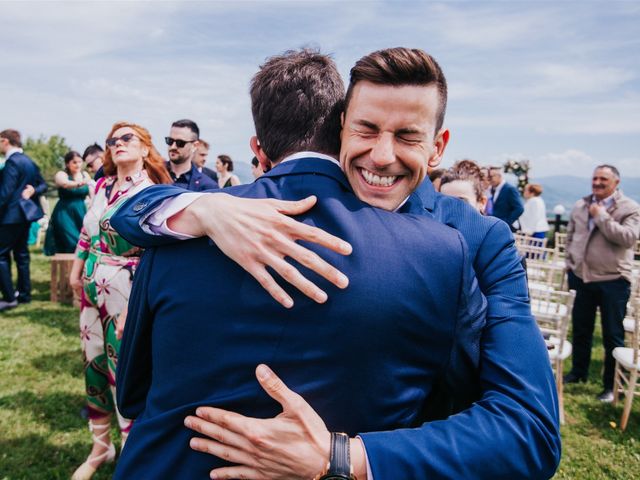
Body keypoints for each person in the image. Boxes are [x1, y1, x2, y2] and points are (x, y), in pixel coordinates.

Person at [112, 48, 559, 479]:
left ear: (437, 146)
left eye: (407, 136)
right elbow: (132, 214)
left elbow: (528, 430)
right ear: (341, 128)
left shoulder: (473, 240)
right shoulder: (207, 217)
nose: (382, 155)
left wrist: (341, 457)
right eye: (367, 130)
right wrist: (202, 210)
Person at [68, 122, 172, 480]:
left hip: (127, 290)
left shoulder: (153, 191)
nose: (117, 144)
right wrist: (76, 269)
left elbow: (154, 253)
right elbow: (86, 232)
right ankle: (101, 446)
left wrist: (135, 305)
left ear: (145, 148)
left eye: (127, 138)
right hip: (91, 287)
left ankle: (132, 452)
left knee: (123, 372)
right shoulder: (100, 184)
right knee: (93, 363)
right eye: (113, 140)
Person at [564, 165, 640, 402]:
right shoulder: (580, 204)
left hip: (613, 280)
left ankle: (611, 386)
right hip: (581, 277)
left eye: (603, 179)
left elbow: (628, 238)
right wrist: (570, 262)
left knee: (612, 335)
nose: (597, 182)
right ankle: (578, 372)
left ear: (616, 182)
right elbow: (570, 235)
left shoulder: (630, 208)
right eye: (594, 178)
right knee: (581, 329)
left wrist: (601, 216)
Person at [0, 129, 47, 310]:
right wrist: (34, 190)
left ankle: (9, 296)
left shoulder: (12, 162)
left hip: (10, 217)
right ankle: (24, 294)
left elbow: (5, 193)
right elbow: (43, 184)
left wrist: (33, 190)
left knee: (1, 255)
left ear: (5, 141)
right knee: (21, 255)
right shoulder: (29, 161)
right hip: (24, 217)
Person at [44, 150, 92, 255]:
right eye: (74, 162)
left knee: (83, 241)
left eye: (80, 162)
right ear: (67, 163)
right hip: (64, 211)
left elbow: (91, 192)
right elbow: (65, 184)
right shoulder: (61, 174)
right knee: (70, 241)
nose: (78, 165)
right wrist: (80, 183)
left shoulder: (85, 174)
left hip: (80, 211)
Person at [164, 119, 218, 191]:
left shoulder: (208, 186)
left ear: (194, 146)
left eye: (180, 143)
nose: (173, 146)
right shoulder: (151, 175)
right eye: (170, 141)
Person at [489, 166, 523, 231]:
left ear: (499, 176)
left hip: (507, 228)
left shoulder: (510, 189)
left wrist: (507, 222)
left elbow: (519, 208)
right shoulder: (493, 189)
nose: (490, 179)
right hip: (496, 227)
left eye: (492, 176)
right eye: (489, 177)